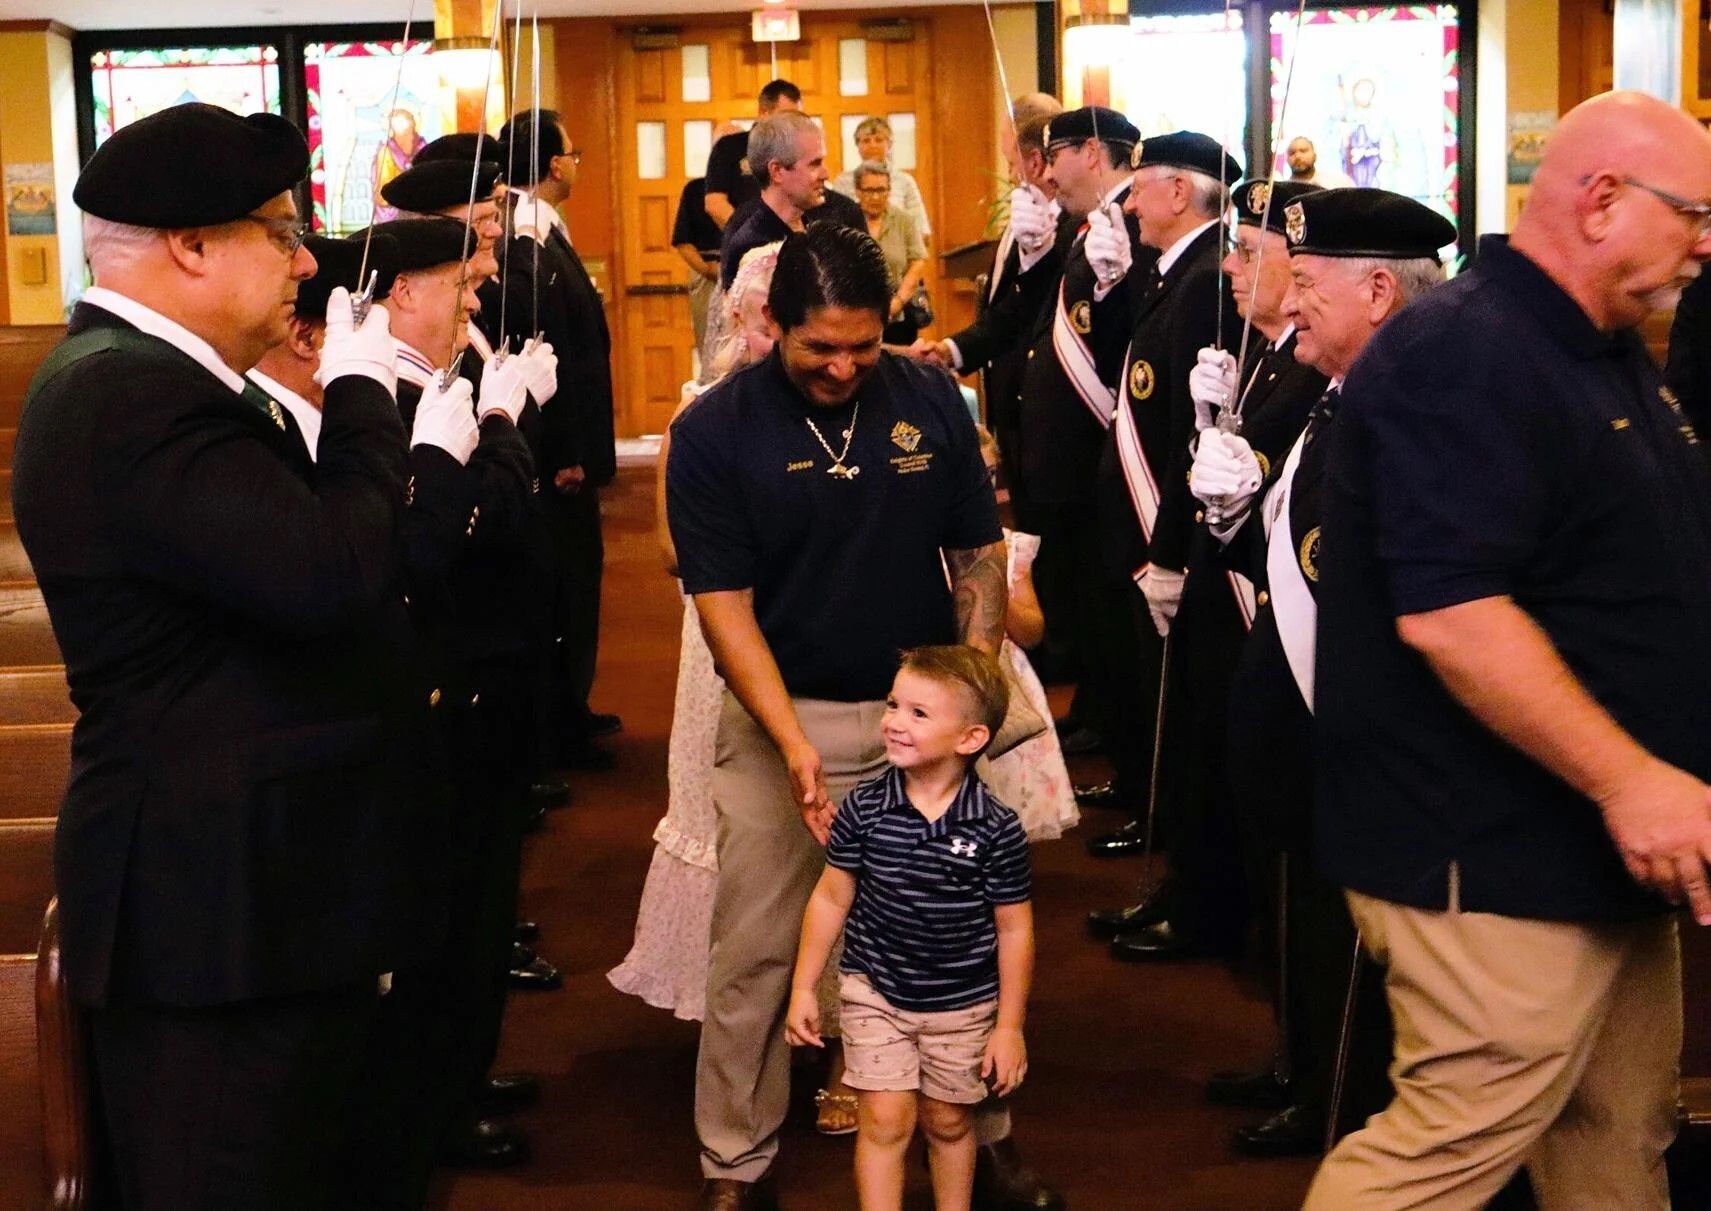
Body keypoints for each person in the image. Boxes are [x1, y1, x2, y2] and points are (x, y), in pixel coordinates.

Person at [1302, 91, 1711, 1207]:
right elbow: (1454, 613)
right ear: (1601, 200)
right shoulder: (1468, 351)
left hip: (1596, 847)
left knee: (1617, 1128)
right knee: (1445, 1146)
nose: (1705, 239)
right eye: (1692, 212)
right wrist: (1631, 777)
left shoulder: (1597, 344)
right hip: (1485, 847)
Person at [11, 102, 413, 1208]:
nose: (305, 258)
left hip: (256, 897)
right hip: (211, 915)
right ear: (191, 244)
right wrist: (371, 395)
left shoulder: (171, 385)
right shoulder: (129, 391)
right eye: (279, 231)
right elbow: (329, 569)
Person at [669, 222, 1059, 1211]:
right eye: (818, 347)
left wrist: (967, 691)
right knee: (754, 946)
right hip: (783, 706)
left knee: (954, 939)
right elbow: (723, 609)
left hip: (921, 719)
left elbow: (978, 554)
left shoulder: (928, 395)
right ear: (769, 323)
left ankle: (989, 1137)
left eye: (862, 343)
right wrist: (793, 743)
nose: (844, 366)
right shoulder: (715, 432)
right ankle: (734, 1158)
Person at [1190, 185, 1452, 1158]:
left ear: (1378, 289)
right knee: (1297, 910)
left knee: (1346, 935)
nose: (1284, 302)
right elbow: (1288, 546)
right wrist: (1228, 513)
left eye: (1304, 282)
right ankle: (1305, 1060)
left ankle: (1336, 1092)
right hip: (1295, 727)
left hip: (1349, 736)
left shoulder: (1418, 407)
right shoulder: (1342, 393)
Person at [786, 646, 1034, 1211]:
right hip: (874, 990)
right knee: (884, 1116)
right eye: (894, 704)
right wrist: (804, 986)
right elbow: (830, 897)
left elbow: (1015, 930)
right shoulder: (865, 809)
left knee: (948, 1121)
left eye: (919, 714)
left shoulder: (996, 829)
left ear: (969, 739)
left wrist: (1010, 1026)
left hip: (964, 1003)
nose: (894, 721)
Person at [1089, 132, 1246, 949]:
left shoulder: (1202, 282)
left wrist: (1172, 549)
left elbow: (1196, 435)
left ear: (1179, 192)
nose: (1131, 201)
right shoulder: (1173, 271)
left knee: (1186, 729)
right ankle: (1176, 886)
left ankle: (1194, 900)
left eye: (1142, 187)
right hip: (1153, 530)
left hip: (1174, 532)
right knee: (1170, 718)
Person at [499, 108, 621, 772]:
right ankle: (559, 721)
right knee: (564, 585)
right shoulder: (525, 240)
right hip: (559, 449)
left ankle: (571, 706)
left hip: (570, 443)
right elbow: (548, 352)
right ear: (551, 165)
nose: (577, 162)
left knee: (576, 582)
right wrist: (566, 450)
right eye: (572, 152)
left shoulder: (542, 233)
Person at [719, 109, 828, 290]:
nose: (825, 174)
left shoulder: (813, 230)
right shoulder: (752, 247)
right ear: (777, 172)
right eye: (815, 164)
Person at [704, 79, 802, 230]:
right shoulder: (729, 147)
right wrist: (749, 233)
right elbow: (715, 203)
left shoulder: (799, 150)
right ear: (763, 113)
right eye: (785, 117)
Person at [851, 160, 928, 345]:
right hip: (855, 314)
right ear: (858, 191)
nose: (876, 197)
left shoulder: (904, 220)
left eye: (882, 190)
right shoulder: (848, 218)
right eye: (869, 191)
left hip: (898, 314)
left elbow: (917, 262)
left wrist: (898, 301)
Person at [675, 135, 736, 353]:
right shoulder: (694, 189)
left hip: (746, 271)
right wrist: (707, 269)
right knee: (710, 348)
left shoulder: (752, 185)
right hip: (707, 274)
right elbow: (682, 241)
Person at [830, 116, 932, 243]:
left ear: (889, 144)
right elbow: (833, 226)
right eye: (866, 141)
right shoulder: (842, 182)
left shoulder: (905, 181)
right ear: (857, 145)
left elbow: (922, 229)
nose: (872, 145)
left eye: (878, 140)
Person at [1282, 137, 1352, 189]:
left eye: (1303, 151)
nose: (1297, 156)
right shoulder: (1282, 192)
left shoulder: (1340, 182)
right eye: (1292, 153)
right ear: (1287, 160)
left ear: (1315, 156)